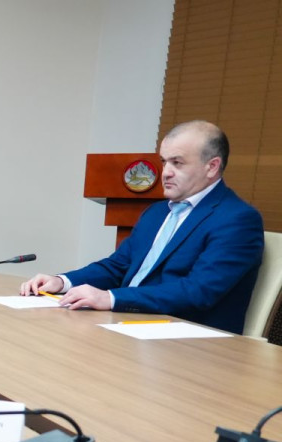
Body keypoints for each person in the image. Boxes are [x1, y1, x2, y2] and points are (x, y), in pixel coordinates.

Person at [20, 120, 264, 334]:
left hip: (185, 339)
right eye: (164, 162)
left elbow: (197, 292)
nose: (165, 173)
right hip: (128, 323)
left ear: (211, 166)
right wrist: (62, 282)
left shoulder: (237, 219)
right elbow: (118, 266)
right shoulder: (157, 212)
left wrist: (111, 298)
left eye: (177, 163)